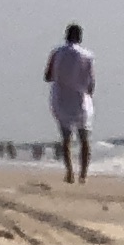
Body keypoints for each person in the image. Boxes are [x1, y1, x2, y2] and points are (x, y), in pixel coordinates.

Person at [43, 24, 94, 183]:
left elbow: (48, 76)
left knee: (66, 139)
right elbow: (91, 82)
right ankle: (83, 175)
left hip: (61, 98)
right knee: (84, 138)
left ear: (66, 36)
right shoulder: (87, 55)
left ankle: (70, 172)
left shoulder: (57, 52)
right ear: (80, 37)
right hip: (81, 99)